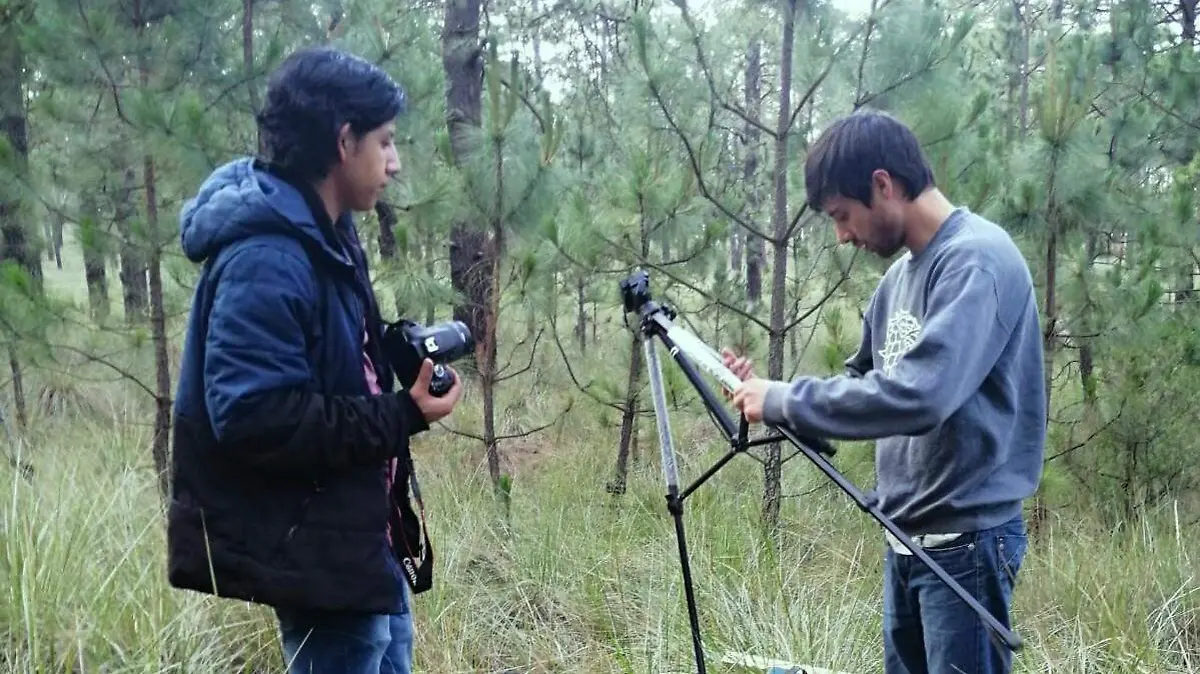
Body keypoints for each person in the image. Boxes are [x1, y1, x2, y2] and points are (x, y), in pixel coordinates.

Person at [167, 46, 463, 674]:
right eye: (383, 142)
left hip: (361, 535)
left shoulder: (322, 229)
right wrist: (402, 414)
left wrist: (395, 352)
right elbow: (256, 415)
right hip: (316, 548)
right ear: (343, 140)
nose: (394, 161)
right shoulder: (267, 256)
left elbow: (328, 355)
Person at [723, 108, 1044, 674]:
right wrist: (769, 396)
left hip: (967, 548)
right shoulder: (899, 280)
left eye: (842, 215)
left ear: (883, 184)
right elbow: (863, 385)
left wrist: (784, 399)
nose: (842, 235)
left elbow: (921, 397)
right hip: (906, 541)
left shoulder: (978, 261)